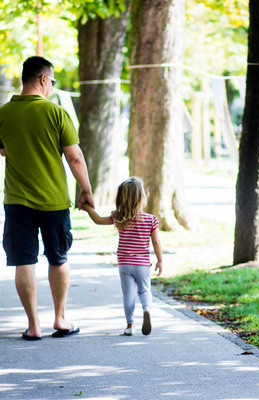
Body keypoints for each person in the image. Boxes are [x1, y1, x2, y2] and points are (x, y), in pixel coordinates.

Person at [0, 56, 94, 341]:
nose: (52, 87)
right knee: (58, 257)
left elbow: (3, 151)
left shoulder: (3, 113)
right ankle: (61, 319)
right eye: (52, 82)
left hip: (17, 201)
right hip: (53, 200)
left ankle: (33, 326)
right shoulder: (56, 114)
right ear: (43, 79)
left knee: (24, 260)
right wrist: (86, 190)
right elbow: (74, 157)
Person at [82, 177, 162, 336]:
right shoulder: (150, 220)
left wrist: (86, 207)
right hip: (142, 264)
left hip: (125, 264)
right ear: (142, 198)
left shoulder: (119, 217)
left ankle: (130, 325)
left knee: (128, 294)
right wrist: (160, 260)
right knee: (144, 290)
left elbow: (98, 220)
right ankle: (146, 310)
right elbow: (156, 242)